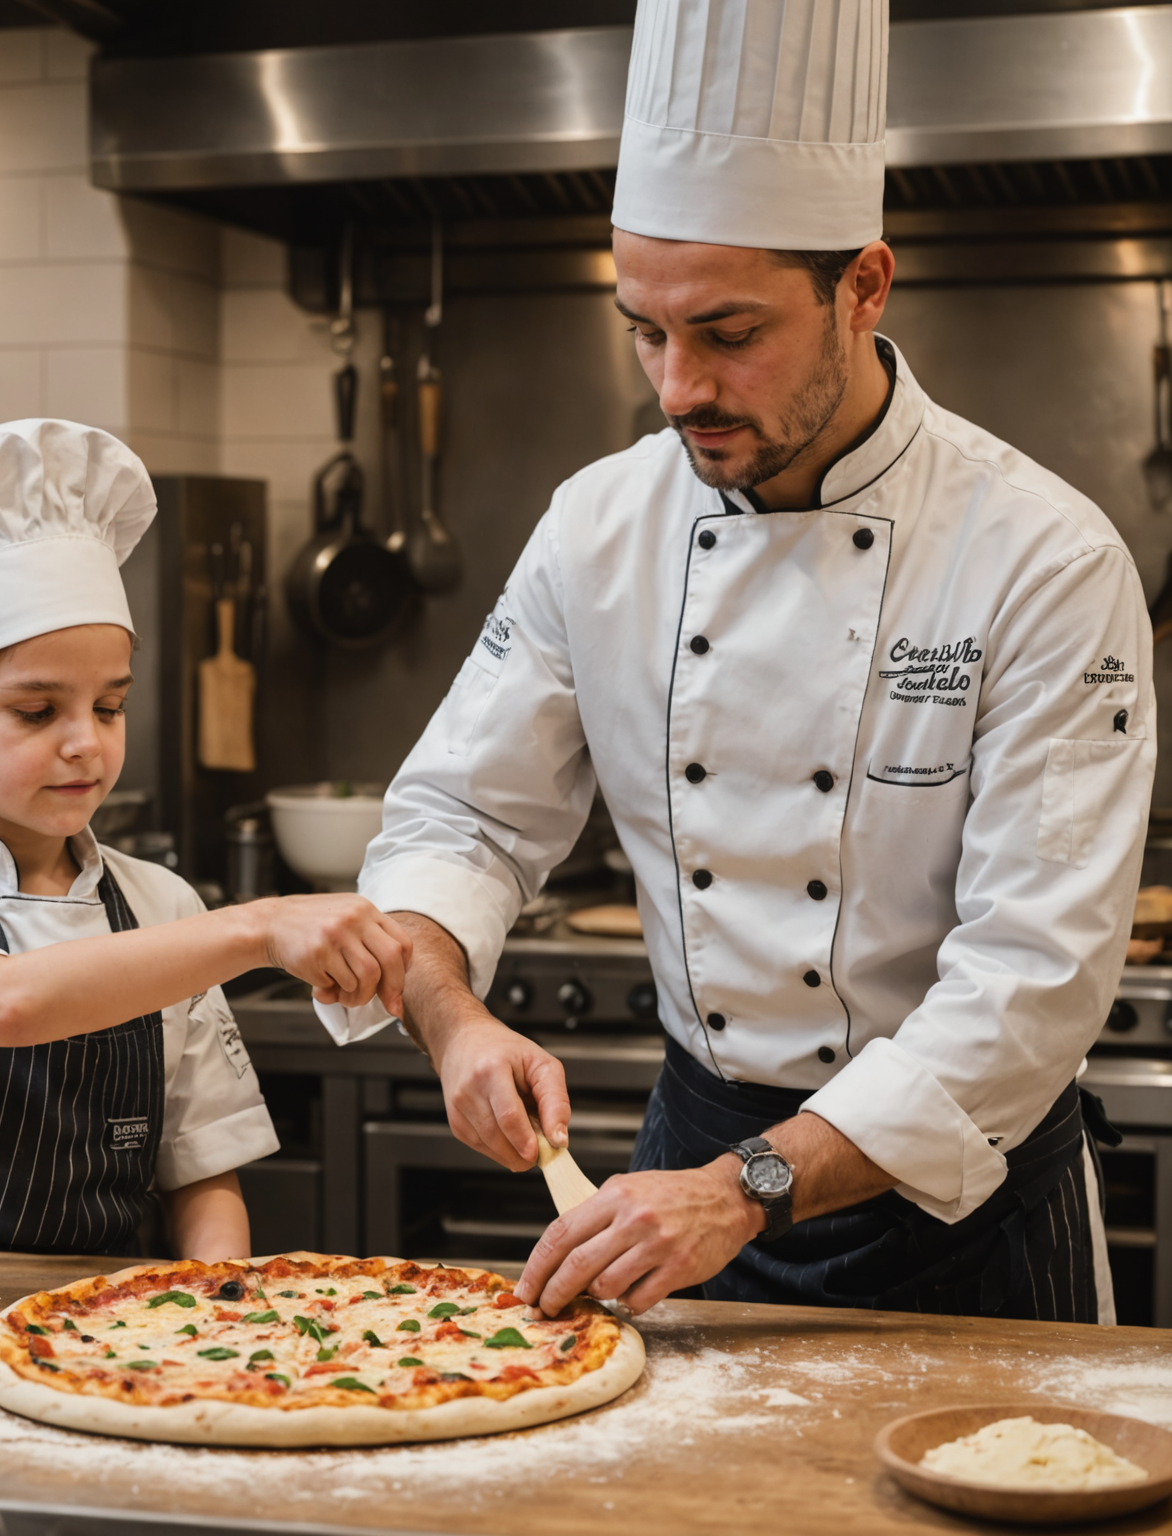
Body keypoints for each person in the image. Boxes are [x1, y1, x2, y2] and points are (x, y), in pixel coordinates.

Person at [317, 0, 1152, 1323]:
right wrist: (453, 1016)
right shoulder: (601, 525)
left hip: (959, 1203)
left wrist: (750, 1186)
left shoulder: (1040, 554)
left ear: (862, 286)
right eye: (642, 329)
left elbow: (1032, 982)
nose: (676, 386)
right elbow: (460, 819)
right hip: (678, 1192)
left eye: (727, 331)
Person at [0, 419, 409, 1256]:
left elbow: (202, 1171)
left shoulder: (161, 905)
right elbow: (6, 1002)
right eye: (36, 711)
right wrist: (259, 927)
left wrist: (218, 1311)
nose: (86, 742)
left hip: (106, 1328)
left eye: (110, 705)